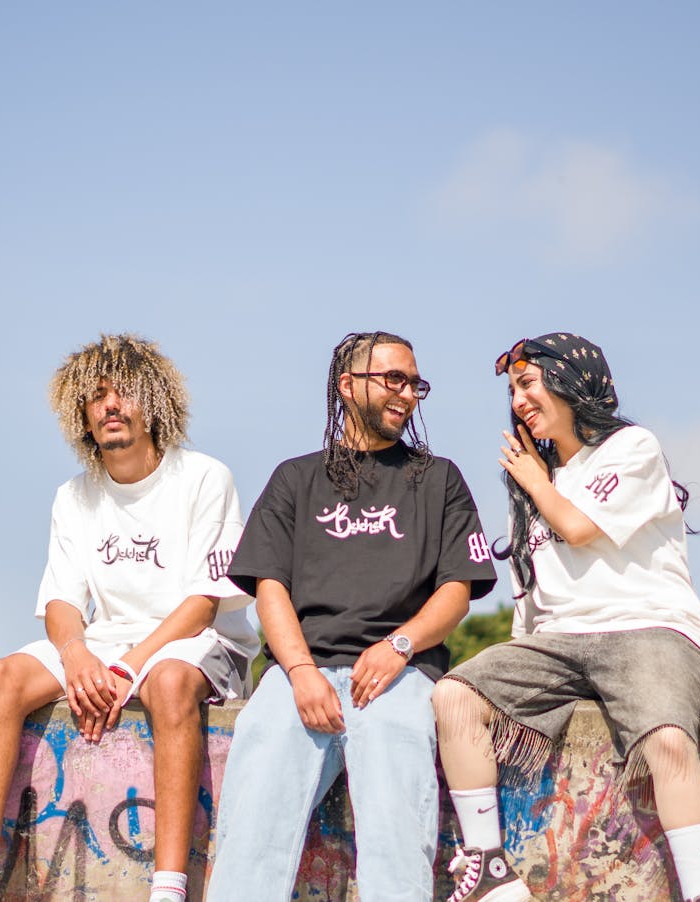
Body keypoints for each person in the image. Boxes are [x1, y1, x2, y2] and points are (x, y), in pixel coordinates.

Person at [0, 334, 257, 902]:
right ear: (82, 415)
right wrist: (77, 656)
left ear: (156, 404)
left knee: (169, 683)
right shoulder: (74, 496)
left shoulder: (204, 477)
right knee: (0, 678)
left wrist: (125, 669)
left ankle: (168, 888)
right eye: (96, 398)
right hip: (108, 640)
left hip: (199, 641)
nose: (110, 406)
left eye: (124, 394)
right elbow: (63, 605)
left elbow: (203, 604)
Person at [207, 330, 498, 902]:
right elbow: (270, 589)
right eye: (394, 379)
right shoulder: (295, 478)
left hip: (401, 676)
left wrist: (399, 647)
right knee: (252, 829)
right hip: (298, 675)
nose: (408, 393)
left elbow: (458, 592)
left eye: (415, 383)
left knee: (397, 834)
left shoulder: (438, 479)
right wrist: (299, 672)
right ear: (347, 385)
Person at [432, 332, 700, 902]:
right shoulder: (532, 490)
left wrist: (536, 483)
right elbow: (530, 598)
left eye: (528, 384)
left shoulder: (630, 448)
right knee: (453, 695)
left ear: (571, 382)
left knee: (666, 742)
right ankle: (489, 866)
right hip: (559, 642)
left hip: (650, 627)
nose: (518, 401)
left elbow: (581, 527)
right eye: (513, 390)